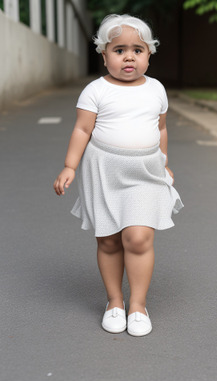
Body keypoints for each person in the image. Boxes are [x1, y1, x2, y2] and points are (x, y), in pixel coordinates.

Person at [53, 14, 183, 337]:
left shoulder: (156, 90)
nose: (129, 56)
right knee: (109, 239)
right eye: (119, 49)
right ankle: (115, 301)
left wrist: (164, 161)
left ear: (149, 55)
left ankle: (138, 305)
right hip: (104, 171)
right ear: (104, 54)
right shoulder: (96, 91)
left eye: (137, 50)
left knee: (138, 238)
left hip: (145, 172)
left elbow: (161, 129)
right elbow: (83, 129)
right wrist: (70, 165)